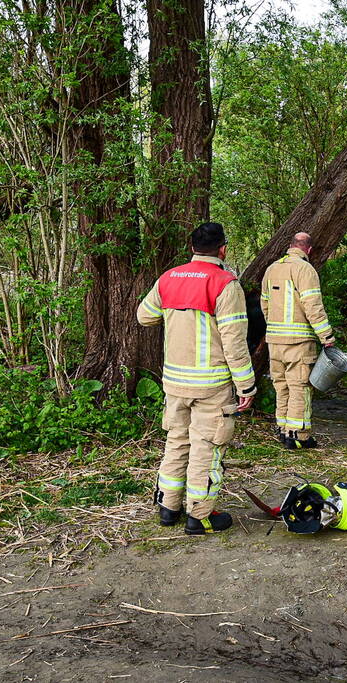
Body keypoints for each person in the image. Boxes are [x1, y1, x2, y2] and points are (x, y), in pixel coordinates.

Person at [136, 222, 256, 535]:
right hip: (211, 385)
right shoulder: (225, 284)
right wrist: (246, 386)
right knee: (206, 447)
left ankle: (167, 507)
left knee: (176, 442)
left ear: (192, 248)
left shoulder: (168, 279)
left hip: (174, 382)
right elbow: (234, 342)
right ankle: (199, 516)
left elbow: (143, 316)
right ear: (223, 249)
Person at [260, 232, 336, 449]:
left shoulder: (272, 269)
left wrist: (274, 329)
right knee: (299, 387)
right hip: (299, 342)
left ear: (290, 245)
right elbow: (313, 306)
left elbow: (265, 305)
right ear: (308, 250)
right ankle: (299, 436)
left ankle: (283, 430)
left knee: (281, 386)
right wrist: (326, 337)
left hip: (274, 341)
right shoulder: (305, 269)